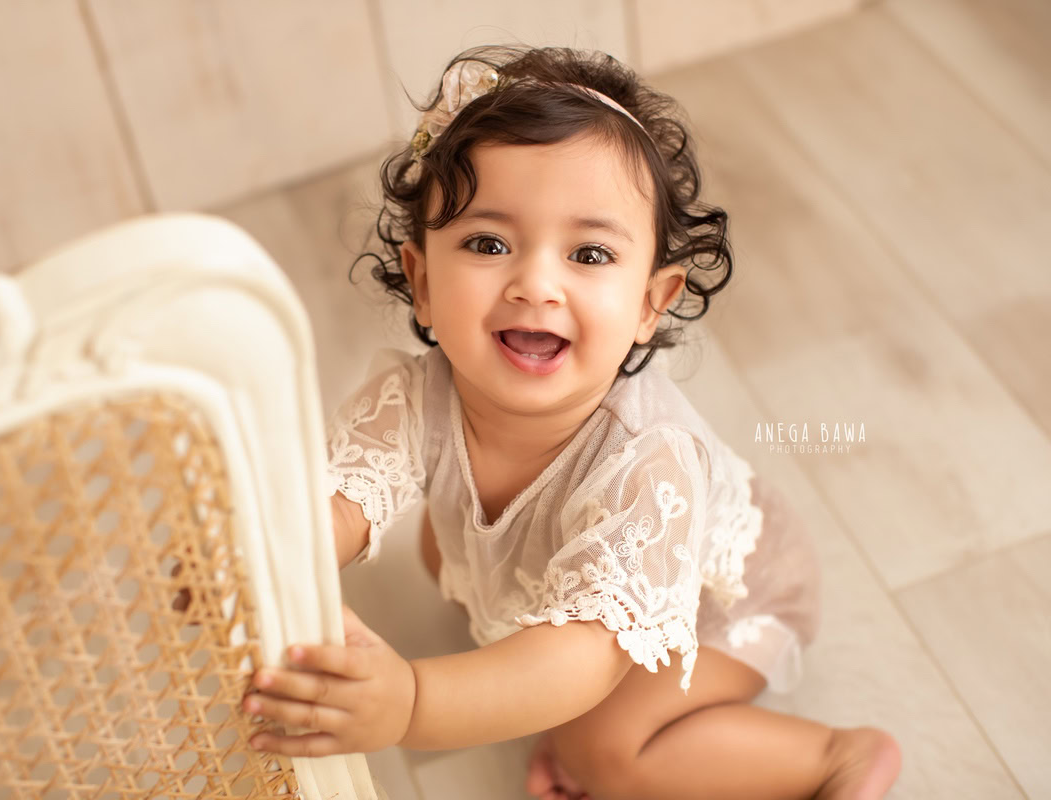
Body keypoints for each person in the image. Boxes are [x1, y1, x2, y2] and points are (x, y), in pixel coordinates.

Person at [241, 44, 902, 800]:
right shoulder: (414, 396)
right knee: (439, 549)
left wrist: (413, 703)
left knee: (601, 749)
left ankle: (837, 759)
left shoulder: (648, 461)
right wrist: (254, 569)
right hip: (562, 566)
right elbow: (338, 506)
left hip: (728, 600)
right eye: (488, 243)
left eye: (589, 253)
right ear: (421, 281)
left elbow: (581, 658)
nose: (536, 284)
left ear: (652, 303)